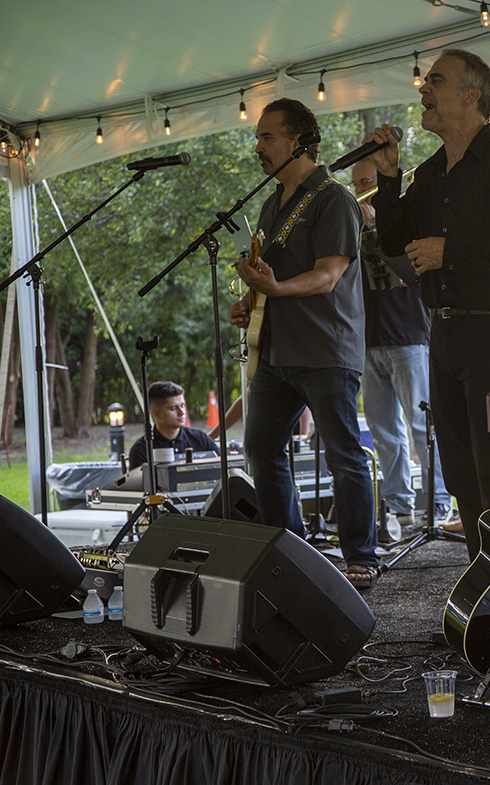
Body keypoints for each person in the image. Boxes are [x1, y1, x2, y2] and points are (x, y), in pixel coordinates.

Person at [366, 48, 490, 560]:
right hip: (443, 332)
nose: (423, 89)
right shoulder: (430, 173)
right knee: (459, 472)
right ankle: (483, 578)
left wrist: (452, 252)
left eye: (436, 81)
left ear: (471, 96)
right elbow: (394, 240)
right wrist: (389, 178)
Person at [229, 98, 379, 590]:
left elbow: (328, 275)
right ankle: (289, 548)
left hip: (325, 349)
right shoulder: (271, 203)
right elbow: (275, 275)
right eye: (258, 137)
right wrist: (250, 302)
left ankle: (362, 555)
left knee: (343, 455)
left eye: (267, 137)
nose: (258, 147)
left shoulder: (333, 198)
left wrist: (274, 289)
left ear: (298, 141)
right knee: (260, 448)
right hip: (276, 350)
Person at [351, 159, 453, 530]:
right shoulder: (352, 227)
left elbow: (404, 267)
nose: (361, 190)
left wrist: (375, 226)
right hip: (368, 339)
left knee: (423, 426)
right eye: (356, 184)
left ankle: (439, 500)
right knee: (383, 432)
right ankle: (398, 505)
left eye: (367, 182)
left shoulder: (404, 218)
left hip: (409, 335)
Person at [127, 381, 219, 469]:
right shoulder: (142, 450)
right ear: (155, 413)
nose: (181, 412)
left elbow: (222, 467)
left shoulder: (200, 439)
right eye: (173, 408)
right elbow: (138, 479)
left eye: (182, 406)